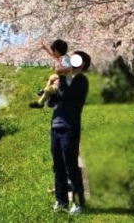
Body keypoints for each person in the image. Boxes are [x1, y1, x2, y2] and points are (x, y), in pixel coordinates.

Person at [48, 50, 90, 214]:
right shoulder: (64, 80)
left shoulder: (81, 81)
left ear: (82, 63)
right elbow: (52, 103)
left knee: (71, 165)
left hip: (70, 127)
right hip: (56, 126)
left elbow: (66, 96)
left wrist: (62, 78)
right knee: (58, 166)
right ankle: (61, 201)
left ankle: (78, 203)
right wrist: (51, 90)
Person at [29, 39, 72, 109]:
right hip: (60, 78)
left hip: (64, 84)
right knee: (52, 77)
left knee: (48, 90)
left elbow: (70, 68)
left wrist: (60, 70)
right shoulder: (60, 57)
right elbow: (52, 55)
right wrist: (45, 48)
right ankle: (45, 91)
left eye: (53, 51)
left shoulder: (65, 58)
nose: (53, 53)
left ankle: (40, 103)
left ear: (57, 51)